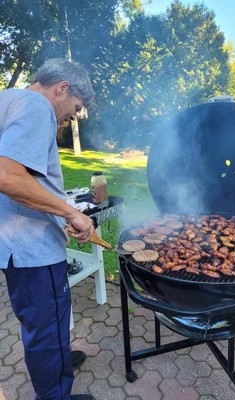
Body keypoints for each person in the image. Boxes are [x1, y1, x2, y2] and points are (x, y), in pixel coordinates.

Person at [0, 58, 97, 400]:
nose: (73, 117)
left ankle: (56, 361)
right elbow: (8, 177)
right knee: (46, 326)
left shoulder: (8, 98)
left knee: (44, 326)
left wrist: (59, 217)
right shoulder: (36, 105)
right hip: (32, 249)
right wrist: (70, 212)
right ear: (62, 88)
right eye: (76, 108)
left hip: (14, 244)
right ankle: (56, 393)